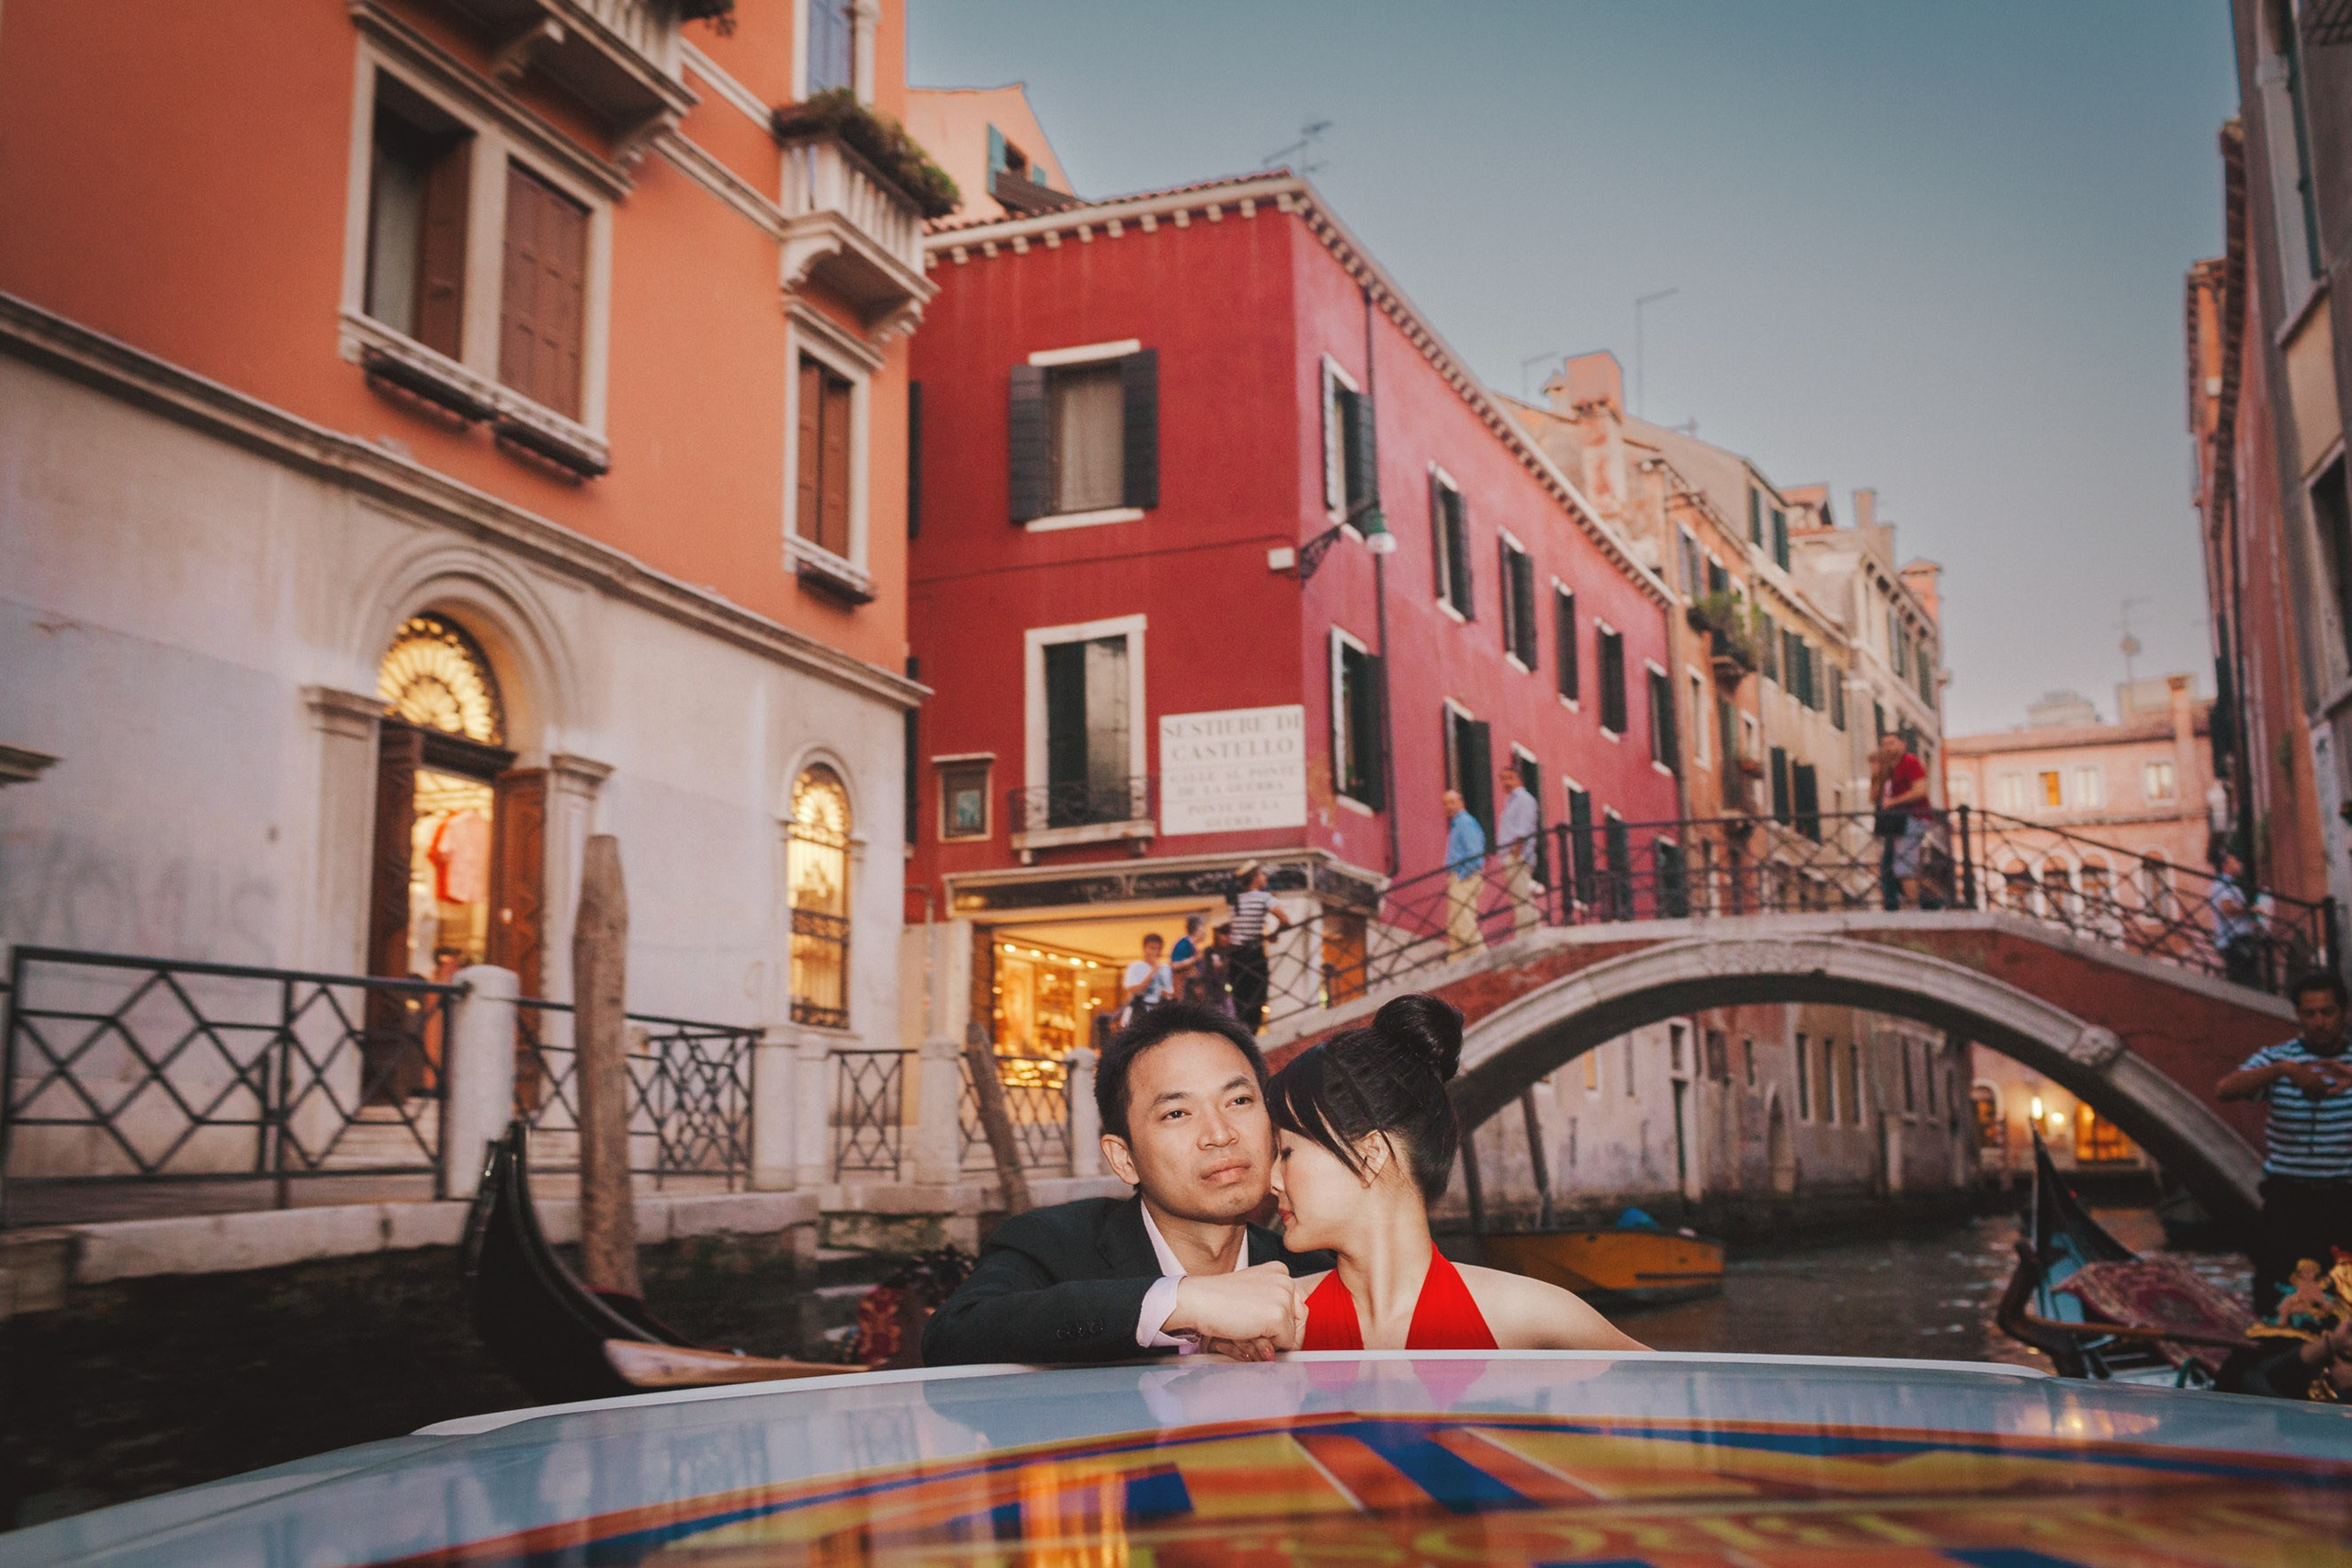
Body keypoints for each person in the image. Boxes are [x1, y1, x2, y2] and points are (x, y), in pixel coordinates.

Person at [922, 1003, 1332, 1365]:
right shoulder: (1051, 1246)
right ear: (1124, 1158)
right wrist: (1182, 1302)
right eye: (1177, 1113)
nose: (1220, 1133)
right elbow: (953, 1337)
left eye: (1239, 1101)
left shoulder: (1306, 1271)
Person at [1263, 994, 1646, 1352]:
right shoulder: (1269, 1322)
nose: (1272, 1180)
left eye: (1287, 1152)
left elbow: (1689, 1403)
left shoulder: (1534, 1318)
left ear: (1370, 1155)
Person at [2216, 968, 2352, 1315]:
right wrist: (2285, 1071)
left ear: (2344, 1013)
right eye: (2310, 1013)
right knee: (2276, 1288)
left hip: (2344, 1198)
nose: (2319, 1021)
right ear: (2298, 1016)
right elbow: (2226, 1090)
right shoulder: (2278, 1058)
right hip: (2289, 1198)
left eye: (2327, 1012)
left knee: (2345, 1294)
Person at [1870, 730, 1930, 910]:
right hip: (1898, 823)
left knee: (1904, 867)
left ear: (1903, 744)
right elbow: (1876, 797)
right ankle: (1927, 904)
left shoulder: (1910, 762)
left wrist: (1893, 801)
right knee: (1893, 867)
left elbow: (1920, 790)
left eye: (1892, 743)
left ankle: (1915, 910)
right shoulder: (1891, 768)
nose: (1889, 748)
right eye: (1885, 744)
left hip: (1914, 818)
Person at [1226, 863, 1288, 1033]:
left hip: (1236, 956)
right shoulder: (1264, 898)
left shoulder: (1235, 900)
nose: (1265, 878)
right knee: (1257, 995)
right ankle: (1253, 1033)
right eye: (1262, 874)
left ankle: (1244, 1032)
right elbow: (1285, 920)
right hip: (1253, 954)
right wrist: (1273, 935)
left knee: (1240, 997)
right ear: (1254, 877)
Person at [2210, 852, 2269, 990]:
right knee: (2250, 982)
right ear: (2225, 866)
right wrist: (2251, 910)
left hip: (2236, 939)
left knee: (2242, 982)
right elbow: (2227, 908)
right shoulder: (2224, 884)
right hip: (2236, 940)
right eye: (2235, 861)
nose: (2240, 864)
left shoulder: (2226, 884)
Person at [1496, 763, 1542, 939]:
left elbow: (1522, 830)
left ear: (1519, 779)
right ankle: (1533, 931)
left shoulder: (1523, 800)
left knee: (1520, 897)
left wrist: (1515, 854)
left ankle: (1525, 935)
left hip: (1517, 856)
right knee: (1521, 897)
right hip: (1513, 855)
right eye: (1503, 779)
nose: (1506, 782)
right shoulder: (1513, 802)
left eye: (1509, 778)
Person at [1442, 789, 1487, 958]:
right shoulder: (1458, 825)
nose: (1448, 807)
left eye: (1452, 802)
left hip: (1464, 878)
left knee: (1463, 923)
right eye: (1445, 804)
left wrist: (1462, 875)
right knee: (1454, 927)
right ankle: (1455, 967)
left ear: (1461, 803)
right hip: (1458, 878)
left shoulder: (1465, 823)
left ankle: (1485, 961)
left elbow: (1475, 853)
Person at [1120, 933, 1174, 1029]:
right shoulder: (1135, 967)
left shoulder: (1166, 969)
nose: (1156, 952)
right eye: (1152, 948)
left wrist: (1165, 993)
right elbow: (1134, 990)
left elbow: (1170, 992)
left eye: (1158, 949)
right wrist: (1152, 972)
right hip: (1138, 1010)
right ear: (1145, 949)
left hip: (1158, 1010)